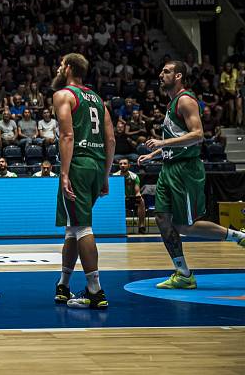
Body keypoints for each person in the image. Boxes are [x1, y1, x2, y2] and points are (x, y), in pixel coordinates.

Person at [137, 61, 245, 289]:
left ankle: (238, 237)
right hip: (169, 168)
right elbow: (179, 137)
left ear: (178, 76)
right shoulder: (171, 103)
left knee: (185, 226)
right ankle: (183, 273)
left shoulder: (186, 100)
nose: (160, 74)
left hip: (185, 170)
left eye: (166, 71)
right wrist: (156, 154)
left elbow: (198, 136)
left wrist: (162, 142)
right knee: (162, 220)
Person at [52, 53, 114, 310]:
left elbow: (67, 135)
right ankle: (64, 284)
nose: (57, 67)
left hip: (77, 163)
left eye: (60, 64)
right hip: (96, 165)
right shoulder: (98, 99)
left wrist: (65, 173)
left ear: (67, 68)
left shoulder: (63, 95)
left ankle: (95, 291)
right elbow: (111, 139)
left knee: (82, 227)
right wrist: (105, 174)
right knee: (72, 227)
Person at [114, 158, 145, 234]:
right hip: (119, 201)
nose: (122, 165)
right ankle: (116, 227)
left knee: (141, 201)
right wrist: (120, 196)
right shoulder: (115, 176)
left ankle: (141, 226)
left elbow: (137, 192)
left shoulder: (134, 176)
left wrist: (138, 196)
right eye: (120, 164)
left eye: (125, 163)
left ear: (129, 165)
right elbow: (114, 192)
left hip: (131, 200)